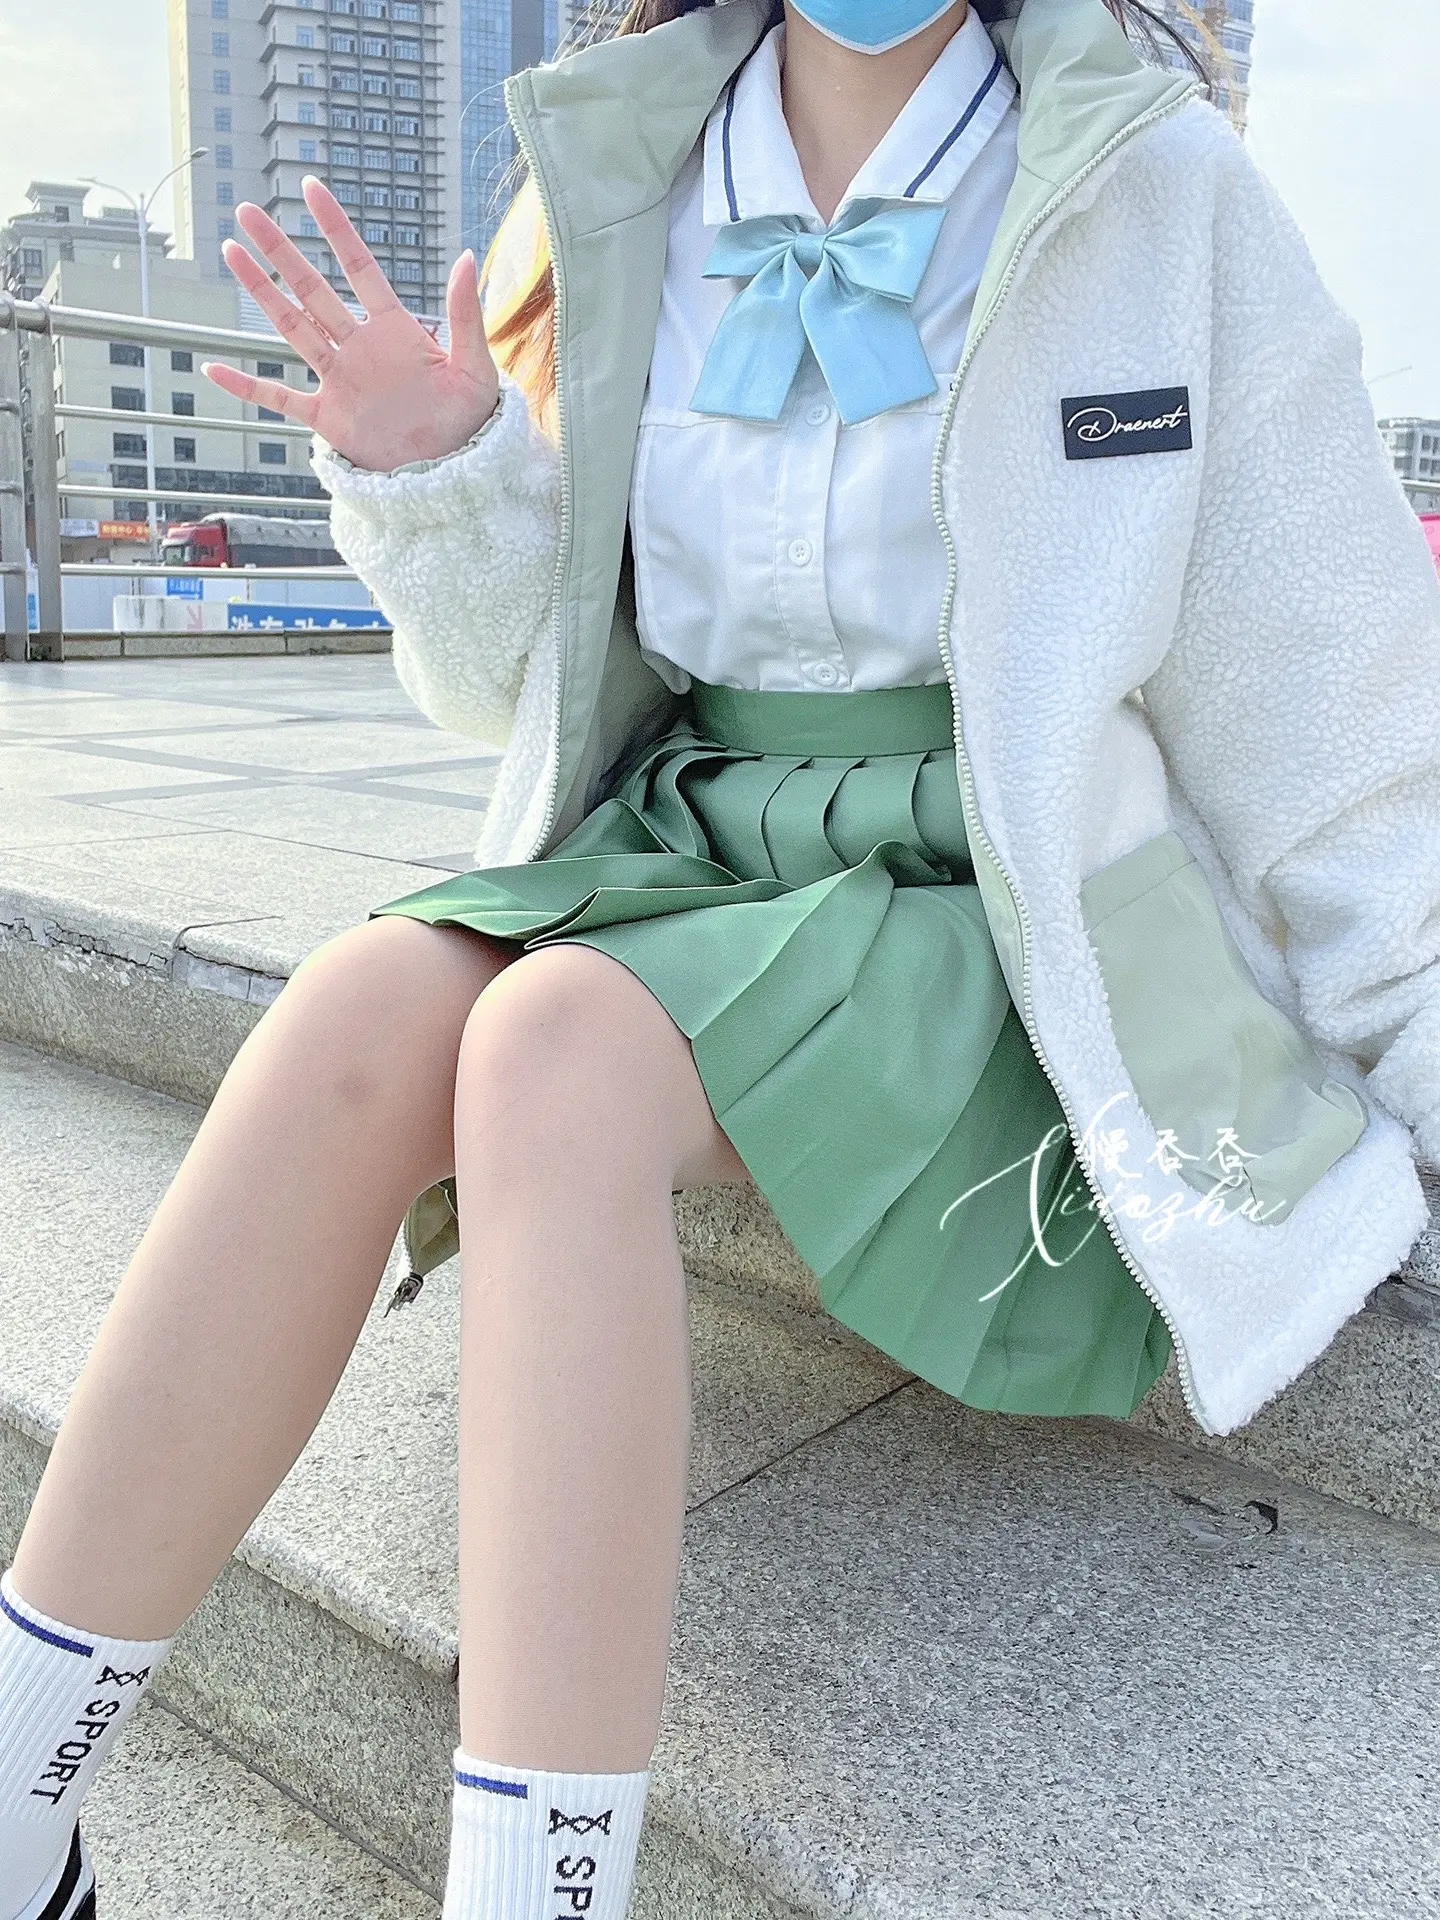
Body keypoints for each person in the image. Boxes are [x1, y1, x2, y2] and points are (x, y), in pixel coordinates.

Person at [5, 0, 1439, 1914]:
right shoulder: (621, 176)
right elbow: (521, 682)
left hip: (995, 891)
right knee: (366, 1002)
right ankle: (13, 1807)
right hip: (692, 828)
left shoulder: (1156, 189)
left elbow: (1329, 700)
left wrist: (1411, 1031)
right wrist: (442, 478)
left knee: (557, 1052)